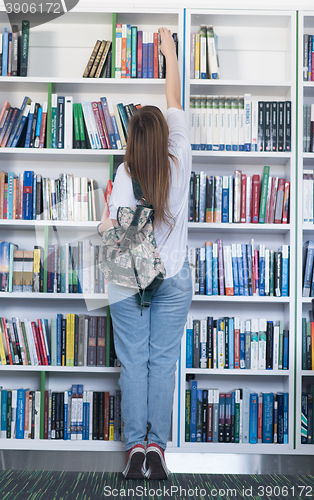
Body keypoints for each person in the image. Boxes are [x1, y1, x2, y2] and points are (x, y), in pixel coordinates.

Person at [97, 27, 192, 480]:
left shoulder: (123, 173)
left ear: (133, 144)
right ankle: (158, 447)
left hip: (129, 279)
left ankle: (135, 449)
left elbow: (112, 231)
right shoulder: (181, 156)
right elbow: (174, 97)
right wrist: (170, 52)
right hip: (174, 279)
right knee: (162, 362)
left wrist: (103, 220)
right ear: (164, 137)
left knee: (133, 363)